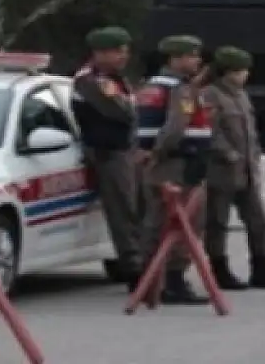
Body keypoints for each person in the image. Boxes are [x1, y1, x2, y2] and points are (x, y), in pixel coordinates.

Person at [135, 34, 211, 305]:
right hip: (177, 164)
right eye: (192, 56)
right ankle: (172, 282)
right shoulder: (180, 88)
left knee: (155, 220)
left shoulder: (151, 86)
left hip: (162, 164)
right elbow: (175, 127)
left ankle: (151, 280)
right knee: (183, 223)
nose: (197, 61)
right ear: (175, 59)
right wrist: (158, 153)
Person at [202, 46, 265, 291]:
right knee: (217, 222)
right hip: (221, 170)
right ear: (226, 72)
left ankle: (261, 269)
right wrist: (226, 152)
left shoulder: (241, 95)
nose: (245, 75)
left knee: (258, 221)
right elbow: (210, 130)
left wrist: (254, 156)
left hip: (246, 170)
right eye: (240, 71)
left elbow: (250, 131)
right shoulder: (211, 95)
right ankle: (219, 270)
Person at [71, 25, 142, 290]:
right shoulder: (91, 81)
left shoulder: (116, 78)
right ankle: (134, 269)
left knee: (136, 209)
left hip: (125, 150)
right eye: (118, 51)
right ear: (100, 53)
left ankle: (142, 263)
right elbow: (124, 113)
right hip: (108, 154)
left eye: (125, 51)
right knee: (123, 211)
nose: (124, 56)